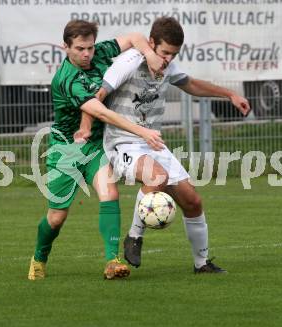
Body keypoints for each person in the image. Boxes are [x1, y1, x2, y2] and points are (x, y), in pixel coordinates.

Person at [76, 17, 250, 274]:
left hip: (152, 143)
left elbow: (190, 84)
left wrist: (230, 94)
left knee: (193, 201)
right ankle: (134, 237)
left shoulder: (167, 66)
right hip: (122, 142)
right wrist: (86, 127)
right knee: (157, 177)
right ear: (151, 43)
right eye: (165, 52)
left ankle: (201, 264)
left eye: (173, 54)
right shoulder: (129, 63)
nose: (168, 59)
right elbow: (96, 97)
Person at [28, 20, 166, 281]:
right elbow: (101, 112)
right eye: (80, 48)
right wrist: (143, 132)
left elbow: (135, 37)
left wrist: (149, 54)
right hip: (65, 150)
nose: (87, 54)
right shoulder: (66, 80)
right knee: (57, 218)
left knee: (110, 192)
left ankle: (112, 261)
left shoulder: (100, 51)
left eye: (90, 47)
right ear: (65, 47)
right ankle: (39, 256)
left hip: (93, 146)